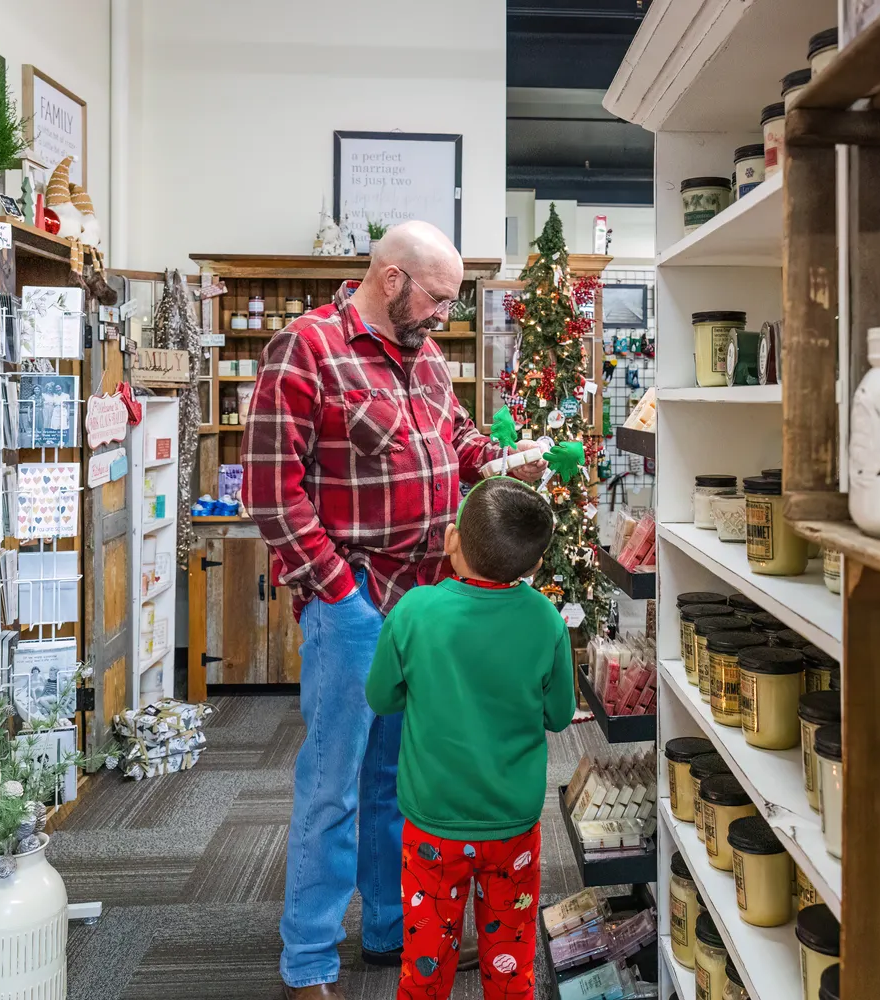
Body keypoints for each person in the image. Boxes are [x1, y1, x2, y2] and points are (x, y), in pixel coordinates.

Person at [242, 221, 547, 1000]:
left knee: (394, 778)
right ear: (390, 279)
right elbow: (271, 491)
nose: (447, 312)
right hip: (355, 600)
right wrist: (337, 591)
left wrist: (510, 458)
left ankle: (388, 929)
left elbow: (458, 438)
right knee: (332, 783)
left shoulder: (428, 356)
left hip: (423, 602)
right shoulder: (306, 349)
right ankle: (307, 958)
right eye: (439, 297)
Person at [365, 476, 575, 1000]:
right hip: (512, 827)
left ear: (452, 538)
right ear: (533, 567)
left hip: (432, 824)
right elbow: (559, 714)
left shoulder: (413, 611)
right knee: (511, 961)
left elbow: (381, 697)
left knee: (426, 963)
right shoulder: (546, 621)